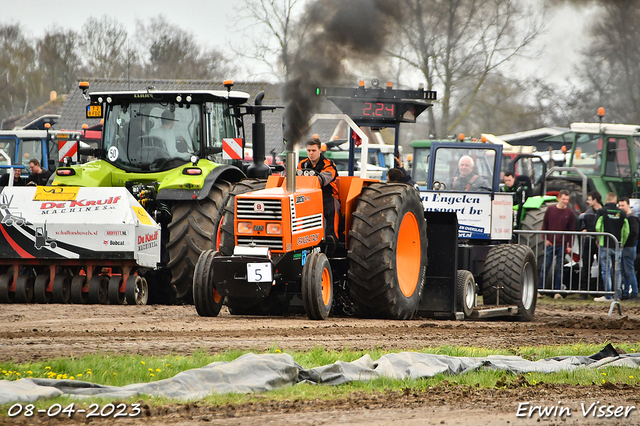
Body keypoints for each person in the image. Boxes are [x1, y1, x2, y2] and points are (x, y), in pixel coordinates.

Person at [298, 137, 340, 244]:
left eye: (314, 150)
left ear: (320, 150)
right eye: (309, 151)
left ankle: (332, 240)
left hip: (328, 195)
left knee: (331, 210)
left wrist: (317, 178)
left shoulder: (328, 164)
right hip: (309, 196)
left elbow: (326, 177)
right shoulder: (302, 165)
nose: (311, 153)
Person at [539, 189, 575, 298]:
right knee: (545, 267)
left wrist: (569, 245)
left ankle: (557, 291)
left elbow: (571, 230)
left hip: (562, 244)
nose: (565, 201)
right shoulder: (550, 210)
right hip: (551, 244)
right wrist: (546, 239)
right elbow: (544, 225)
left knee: (559, 268)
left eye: (567, 199)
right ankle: (540, 290)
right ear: (559, 198)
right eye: (563, 199)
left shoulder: (570, 213)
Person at [594, 192, 628, 302]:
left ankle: (608, 295)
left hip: (605, 244)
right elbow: (626, 230)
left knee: (606, 270)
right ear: (615, 200)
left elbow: (598, 227)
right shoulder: (622, 212)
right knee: (617, 271)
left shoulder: (602, 211)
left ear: (606, 199)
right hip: (617, 245)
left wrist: (598, 240)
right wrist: (622, 242)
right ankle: (617, 295)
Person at [578, 190, 603, 297]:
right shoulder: (587, 213)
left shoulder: (604, 211)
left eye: (589, 199)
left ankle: (601, 291)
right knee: (586, 266)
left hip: (601, 242)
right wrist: (583, 229)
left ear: (595, 200)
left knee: (603, 267)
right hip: (589, 241)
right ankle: (584, 292)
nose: (587, 201)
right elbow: (583, 225)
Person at [617, 197, 638, 301]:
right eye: (619, 205)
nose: (621, 208)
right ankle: (626, 292)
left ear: (628, 204)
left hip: (629, 247)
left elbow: (634, 233)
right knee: (625, 271)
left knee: (629, 271)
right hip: (625, 247)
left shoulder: (632, 218)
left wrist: (625, 241)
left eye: (623, 205)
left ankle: (634, 292)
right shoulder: (625, 217)